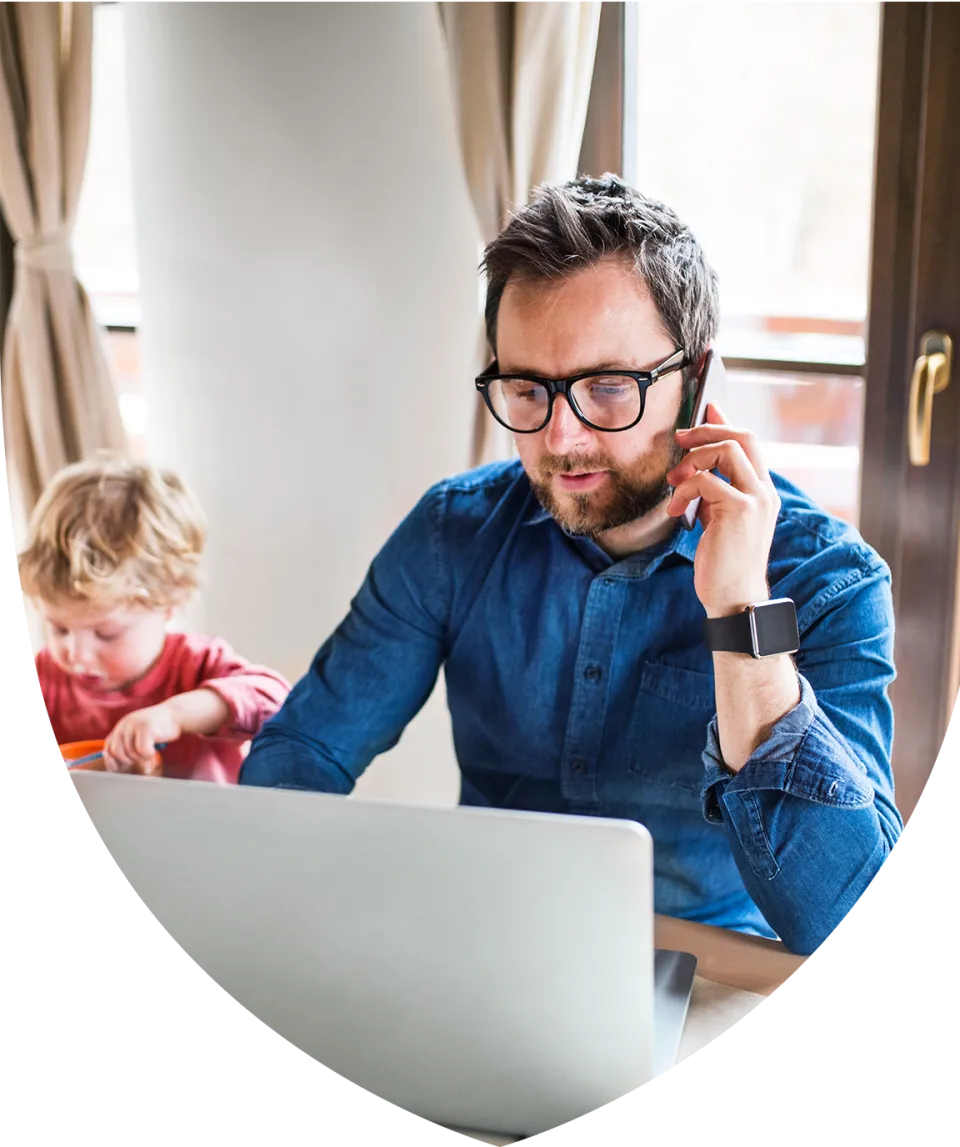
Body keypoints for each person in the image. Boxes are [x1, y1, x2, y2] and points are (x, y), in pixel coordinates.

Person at [239, 174, 903, 957]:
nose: (560, 438)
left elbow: (838, 910)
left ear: (696, 383)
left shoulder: (829, 581)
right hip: (483, 948)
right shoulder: (452, 535)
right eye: (527, 388)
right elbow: (305, 754)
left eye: (609, 387)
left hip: (711, 969)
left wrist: (738, 610)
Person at [18, 456, 290, 782]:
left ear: (171, 600)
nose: (76, 654)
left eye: (106, 633)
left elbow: (277, 702)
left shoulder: (195, 664)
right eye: (59, 628)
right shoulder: (46, 679)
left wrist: (174, 715)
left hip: (205, 816)